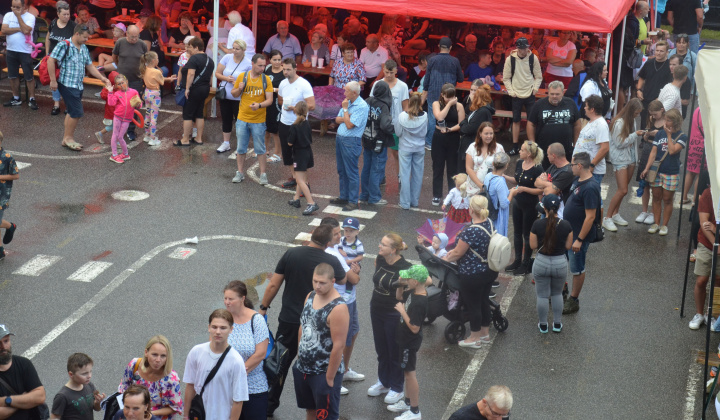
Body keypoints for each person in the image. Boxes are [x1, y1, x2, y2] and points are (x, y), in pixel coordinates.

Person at [258, 224, 346, 417]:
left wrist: (263, 307)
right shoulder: (330, 261)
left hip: (289, 320)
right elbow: (344, 279)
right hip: (318, 323)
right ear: (328, 243)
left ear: (311, 235)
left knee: (279, 364)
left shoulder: (292, 254)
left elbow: (273, 284)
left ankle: (268, 405)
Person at [292, 263, 349, 420]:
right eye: (315, 281)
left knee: (325, 417)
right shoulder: (310, 296)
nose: (317, 286)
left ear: (333, 281)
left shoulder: (338, 308)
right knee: (310, 411)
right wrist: (299, 357)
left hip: (323, 372)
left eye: (322, 282)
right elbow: (303, 326)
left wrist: (329, 378)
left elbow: (339, 345)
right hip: (303, 368)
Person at [443, 195, 498, 347]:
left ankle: (474, 338)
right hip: (489, 270)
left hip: (472, 275)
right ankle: (485, 334)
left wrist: (445, 258)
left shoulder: (470, 231)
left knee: (473, 305)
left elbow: (457, 253)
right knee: (483, 301)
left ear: (471, 210)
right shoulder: (489, 223)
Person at [48, 24, 111, 151]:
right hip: (67, 84)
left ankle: (66, 138)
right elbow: (50, 60)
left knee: (71, 111)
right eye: (85, 37)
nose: (86, 40)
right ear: (77, 34)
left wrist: (102, 78)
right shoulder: (63, 45)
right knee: (76, 112)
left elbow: (90, 66)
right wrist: (53, 80)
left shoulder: (83, 48)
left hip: (78, 85)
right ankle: (69, 138)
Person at [367, 233, 411, 404]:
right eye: (381, 242)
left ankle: (397, 388)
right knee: (381, 348)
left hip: (393, 313)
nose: (379, 246)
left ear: (393, 250)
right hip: (376, 309)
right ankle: (384, 382)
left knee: (394, 351)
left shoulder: (405, 267)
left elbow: (408, 293)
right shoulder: (380, 258)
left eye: (383, 244)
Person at [183, 310, 248, 420]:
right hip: (199, 415)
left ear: (231, 330)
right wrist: (186, 416)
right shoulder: (196, 352)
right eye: (214, 327)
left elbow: (238, 400)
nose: (218, 332)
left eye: (223, 328)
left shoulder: (236, 361)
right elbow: (190, 386)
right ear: (209, 328)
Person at [386, 265, 429, 420]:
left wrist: (402, 311)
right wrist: (400, 284)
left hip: (409, 342)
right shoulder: (414, 291)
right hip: (404, 339)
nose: (406, 280)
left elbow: (415, 328)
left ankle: (415, 411)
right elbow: (399, 297)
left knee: (410, 374)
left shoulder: (419, 303)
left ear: (415, 282)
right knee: (406, 372)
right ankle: (407, 402)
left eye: (409, 278)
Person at [223, 281, 270, 419]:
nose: (227, 302)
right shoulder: (222, 319)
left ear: (242, 298)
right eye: (225, 298)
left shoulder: (256, 320)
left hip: (253, 387)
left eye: (231, 299)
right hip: (227, 386)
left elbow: (260, 353)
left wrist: (239, 373)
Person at [563, 152, 601, 315]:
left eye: (572, 165)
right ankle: (564, 291)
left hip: (578, 237)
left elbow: (590, 216)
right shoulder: (578, 180)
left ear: (579, 166)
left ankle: (573, 300)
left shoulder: (590, 187)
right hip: (570, 233)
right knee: (567, 263)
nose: (570, 167)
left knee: (577, 268)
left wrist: (579, 239)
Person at [530, 194, 573, 333]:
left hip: (541, 262)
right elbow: (568, 246)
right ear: (559, 207)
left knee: (542, 295)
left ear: (545, 208)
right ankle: (557, 324)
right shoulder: (566, 225)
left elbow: (533, 245)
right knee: (557, 294)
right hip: (559, 262)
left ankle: (543, 325)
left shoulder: (537, 224)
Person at [640, 108, 687, 236]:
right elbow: (653, 152)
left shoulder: (682, 136)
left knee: (667, 199)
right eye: (665, 119)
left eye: (669, 120)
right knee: (656, 197)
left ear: (675, 122)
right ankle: (656, 223)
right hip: (657, 171)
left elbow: (672, 151)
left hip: (671, 172)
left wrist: (669, 135)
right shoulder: (660, 134)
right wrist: (646, 168)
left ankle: (664, 225)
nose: (665, 122)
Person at [228, 53, 272, 184]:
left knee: (261, 149)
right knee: (241, 148)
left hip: (258, 120)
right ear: (252, 64)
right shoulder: (243, 76)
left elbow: (269, 100)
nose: (262, 68)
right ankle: (240, 172)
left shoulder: (266, 79)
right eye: (260, 65)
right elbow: (234, 94)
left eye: (264, 66)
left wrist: (259, 105)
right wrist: (239, 88)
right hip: (242, 119)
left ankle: (263, 174)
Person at [117, 336, 182, 419]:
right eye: (154, 355)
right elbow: (123, 390)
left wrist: (147, 414)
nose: (158, 360)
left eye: (163, 356)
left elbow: (174, 407)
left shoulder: (171, 379)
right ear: (146, 353)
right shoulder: (134, 366)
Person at [603, 98, 643, 232]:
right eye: (636, 113)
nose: (637, 115)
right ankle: (607, 218)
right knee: (623, 190)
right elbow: (620, 143)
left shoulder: (632, 121)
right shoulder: (618, 123)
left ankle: (615, 214)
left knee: (623, 190)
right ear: (630, 111)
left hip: (631, 158)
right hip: (620, 159)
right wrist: (635, 135)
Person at [505, 141, 544, 275]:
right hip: (517, 203)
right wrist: (504, 176)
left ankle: (526, 263)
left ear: (528, 154)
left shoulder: (538, 168)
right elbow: (517, 180)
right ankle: (517, 260)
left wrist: (524, 189)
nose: (519, 152)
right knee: (517, 232)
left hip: (530, 205)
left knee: (527, 234)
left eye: (522, 150)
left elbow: (541, 190)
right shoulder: (519, 163)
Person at [329, 81, 369, 212]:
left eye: (346, 91)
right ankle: (344, 196)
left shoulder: (361, 106)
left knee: (351, 172)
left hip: (351, 141)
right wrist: (346, 117)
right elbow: (337, 119)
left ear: (354, 93)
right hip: (341, 139)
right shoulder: (348, 102)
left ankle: (353, 201)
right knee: (341, 170)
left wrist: (345, 111)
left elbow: (350, 125)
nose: (344, 93)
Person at [369, 59, 409, 189]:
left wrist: (404, 123)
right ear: (383, 70)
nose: (389, 75)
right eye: (386, 72)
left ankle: (400, 177)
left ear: (396, 71)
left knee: (396, 153)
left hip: (395, 124)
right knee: (380, 151)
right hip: (379, 124)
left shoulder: (402, 86)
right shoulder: (378, 84)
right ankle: (381, 176)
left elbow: (405, 106)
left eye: (391, 72)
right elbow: (372, 102)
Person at [277, 58, 316, 191]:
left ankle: (305, 182)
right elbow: (280, 100)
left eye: (288, 69)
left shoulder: (304, 84)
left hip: (299, 125)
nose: (285, 72)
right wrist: (285, 105)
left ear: (295, 69)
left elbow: (312, 105)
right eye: (284, 69)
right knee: (287, 153)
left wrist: (295, 108)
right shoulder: (282, 83)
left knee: (300, 155)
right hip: (284, 122)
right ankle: (295, 178)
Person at [421, 36, 463, 151]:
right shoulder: (455, 61)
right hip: (449, 95)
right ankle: (445, 141)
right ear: (451, 47)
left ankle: (429, 142)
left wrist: (425, 91)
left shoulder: (432, 60)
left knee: (432, 118)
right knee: (448, 117)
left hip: (433, 92)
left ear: (439, 46)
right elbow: (461, 78)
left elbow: (426, 79)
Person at [527, 80, 581, 168]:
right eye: (552, 94)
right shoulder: (539, 104)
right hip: (544, 150)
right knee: (544, 173)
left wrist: (575, 144)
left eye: (557, 94)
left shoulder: (570, 103)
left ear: (563, 93)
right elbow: (530, 124)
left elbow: (577, 124)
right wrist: (532, 144)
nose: (554, 96)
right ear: (548, 92)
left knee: (565, 173)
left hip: (565, 150)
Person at [503, 37, 542, 156]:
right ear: (517, 48)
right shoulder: (510, 59)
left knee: (531, 121)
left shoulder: (533, 58)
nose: (524, 51)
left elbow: (538, 76)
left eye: (526, 48)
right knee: (516, 120)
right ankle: (515, 146)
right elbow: (506, 78)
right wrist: (511, 92)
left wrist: (534, 90)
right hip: (516, 93)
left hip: (529, 93)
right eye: (522, 48)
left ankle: (532, 146)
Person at [0, 324, 46, 420]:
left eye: (6, 341)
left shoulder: (24, 364)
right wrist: (24, 400)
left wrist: (7, 400)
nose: (3, 346)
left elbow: (40, 396)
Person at [430, 84, 465, 206]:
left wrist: (450, 129)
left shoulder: (459, 106)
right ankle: (437, 195)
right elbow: (440, 117)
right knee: (437, 166)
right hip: (439, 137)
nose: (450, 99)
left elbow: (461, 124)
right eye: (448, 97)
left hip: (453, 137)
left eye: (452, 97)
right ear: (442, 95)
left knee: (452, 168)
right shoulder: (436, 104)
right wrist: (449, 105)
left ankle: (452, 194)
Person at [688, 188, 718, 329]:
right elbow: (704, 223)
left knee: (718, 282)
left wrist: (715, 229)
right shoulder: (708, 193)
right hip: (707, 243)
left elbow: (711, 226)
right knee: (701, 280)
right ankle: (699, 314)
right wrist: (716, 244)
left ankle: (711, 314)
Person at [360, 80, 393, 206]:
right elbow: (385, 125)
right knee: (376, 169)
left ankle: (364, 195)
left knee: (366, 168)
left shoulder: (367, 101)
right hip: (379, 141)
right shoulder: (384, 106)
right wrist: (393, 128)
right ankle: (374, 197)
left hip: (367, 138)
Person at [112, 25, 148, 142]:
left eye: (136, 37)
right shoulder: (120, 42)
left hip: (136, 79)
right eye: (132, 37)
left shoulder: (142, 44)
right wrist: (120, 68)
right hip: (122, 80)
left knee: (134, 105)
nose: (134, 39)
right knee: (120, 105)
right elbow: (114, 56)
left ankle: (131, 130)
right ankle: (118, 128)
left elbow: (145, 60)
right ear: (126, 34)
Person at [176, 37, 214, 146]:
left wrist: (187, 88)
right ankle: (198, 138)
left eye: (191, 47)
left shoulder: (194, 58)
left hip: (194, 89)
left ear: (197, 47)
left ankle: (185, 139)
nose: (188, 49)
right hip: (205, 89)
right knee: (199, 113)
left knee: (188, 114)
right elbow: (211, 76)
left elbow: (191, 74)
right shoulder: (210, 60)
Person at [2, 0, 38, 109]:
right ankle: (16, 98)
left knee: (29, 76)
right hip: (11, 49)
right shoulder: (8, 15)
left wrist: (18, 17)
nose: (15, 9)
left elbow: (26, 30)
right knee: (12, 75)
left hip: (25, 51)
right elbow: (4, 30)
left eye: (17, 7)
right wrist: (19, 29)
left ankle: (32, 99)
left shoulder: (30, 17)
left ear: (24, 6)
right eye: (13, 7)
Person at [287, 101, 319, 216]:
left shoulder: (294, 126)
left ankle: (311, 203)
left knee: (299, 180)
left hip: (299, 155)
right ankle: (296, 198)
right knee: (303, 178)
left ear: (295, 110)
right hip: (307, 152)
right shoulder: (307, 123)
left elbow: (290, 143)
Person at [395, 93, 428, 210]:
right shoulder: (425, 116)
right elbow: (425, 132)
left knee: (404, 175)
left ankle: (405, 202)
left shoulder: (402, 116)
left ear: (409, 102)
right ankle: (414, 201)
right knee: (417, 175)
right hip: (419, 148)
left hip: (405, 147)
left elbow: (398, 132)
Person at [50, 353, 104, 420]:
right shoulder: (62, 396)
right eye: (84, 374)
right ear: (71, 374)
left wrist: (98, 402)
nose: (89, 376)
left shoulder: (89, 385)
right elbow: (54, 417)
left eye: (90, 371)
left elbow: (96, 408)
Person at [139, 52, 176, 146]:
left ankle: (147, 135)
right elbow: (162, 82)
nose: (158, 60)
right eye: (157, 58)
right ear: (153, 60)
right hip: (155, 94)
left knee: (147, 114)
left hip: (147, 92)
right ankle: (153, 138)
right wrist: (169, 78)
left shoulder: (144, 69)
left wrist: (167, 78)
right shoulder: (156, 71)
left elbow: (160, 79)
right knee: (154, 117)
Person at [45, 1, 75, 115]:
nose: (67, 16)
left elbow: (76, 43)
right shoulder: (53, 23)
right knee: (54, 80)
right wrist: (47, 53)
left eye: (68, 14)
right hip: (52, 58)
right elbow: (48, 38)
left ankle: (67, 104)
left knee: (66, 83)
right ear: (58, 14)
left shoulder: (73, 26)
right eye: (64, 14)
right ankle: (56, 104)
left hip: (67, 59)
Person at [573, 95, 610, 185]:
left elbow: (605, 148)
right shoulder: (591, 122)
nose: (584, 108)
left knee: (590, 193)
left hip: (592, 172)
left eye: (586, 106)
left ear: (592, 109)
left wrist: (592, 165)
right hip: (583, 169)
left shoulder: (601, 125)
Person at [106, 74, 141, 164]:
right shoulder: (117, 93)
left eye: (122, 83)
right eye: (119, 84)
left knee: (120, 136)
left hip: (127, 119)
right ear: (116, 86)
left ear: (126, 82)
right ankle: (114, 155)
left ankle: (125, 154)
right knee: (115, 135)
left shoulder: (134, 92)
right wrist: (110, 92)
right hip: (117, 117)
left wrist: (138, 104)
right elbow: (111, 103)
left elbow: (139, 105)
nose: (121, 85)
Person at [465, 121, 505, 197]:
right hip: (473, 187)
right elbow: (468, 168)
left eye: (491, 133)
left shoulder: (499, 148)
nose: (489, 136)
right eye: (486, 134)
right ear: (480, 134)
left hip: (492, 187)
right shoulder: (472, 147)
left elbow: (503, 167)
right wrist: (481, 185)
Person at [637, 40, 672, 128]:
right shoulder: (649, 63)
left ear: (667, 52)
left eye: (661, 51)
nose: (658, 53)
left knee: (657, 125)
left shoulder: (669, 66)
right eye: (657, 50)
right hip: (646, 99)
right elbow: (642, 77)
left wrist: (660, 98)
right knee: (644, 124)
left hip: (660, 102)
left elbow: (670, 85)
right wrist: (639, 90)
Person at [534, 142, 574, 211]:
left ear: (553, 156)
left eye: (548, 154)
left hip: (559, 210)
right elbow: (536, 182)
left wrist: (544, 183)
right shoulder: (553, 166)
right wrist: (549, 184)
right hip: (547, 206)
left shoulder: (567, 171)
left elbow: (548, 192)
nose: (547, 156)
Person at [262, 50, 286, 164]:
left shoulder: (284, 71)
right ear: (270, 60)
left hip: (277, 103)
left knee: (276, 130)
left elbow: (288, 87)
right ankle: (265, 150)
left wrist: (275, 90)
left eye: (279, 60)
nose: (277, 62)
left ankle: (277, 153)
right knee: (265, 128)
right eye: (274, 60)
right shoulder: (267, 69)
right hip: (266, 101)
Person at [668, 34, 697, 117]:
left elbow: (695, 75)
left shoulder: (692, 56)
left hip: (684, 88)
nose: (681, 45)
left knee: (681, 114)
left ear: (687, 43)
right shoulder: (670, 54)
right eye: (679, 42)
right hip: (671, 85)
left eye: (683, 43)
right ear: (676, 43)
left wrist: (693, 92)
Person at [448, 385, 513, 420]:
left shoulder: (501, 412)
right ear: (485, 403)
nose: (499, 419)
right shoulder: (460, 418)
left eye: (504, 415)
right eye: (495, 414)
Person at [485, 153, 511, 236]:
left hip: (489, 211)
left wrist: (508, 191)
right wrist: (512, 193)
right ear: (506, 165)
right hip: (498, 215)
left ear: (493, 163)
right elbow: (504, 204)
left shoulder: (488, 176)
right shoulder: (500, 181)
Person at [682, 107, 704, 205]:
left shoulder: (697, 110)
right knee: (700, 174)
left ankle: (684, 197)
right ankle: (695, 199)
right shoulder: (710, 112)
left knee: (691, 172)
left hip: (693, 144)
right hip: (704, 146)